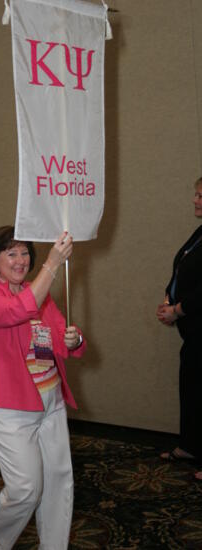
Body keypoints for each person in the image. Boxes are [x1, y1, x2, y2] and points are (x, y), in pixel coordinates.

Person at [0, 226, 86, 549]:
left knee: (59, 482)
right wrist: (52, 263)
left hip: (51, 400)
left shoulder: (40, 292)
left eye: (25, 253)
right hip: (8, 406)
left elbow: (63, 341)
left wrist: (74, 340)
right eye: (11, 253)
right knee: (25, 489)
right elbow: (15, 311)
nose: (21, 260)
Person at [157, 176, 202, 480]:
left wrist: (177, 309)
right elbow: (182, 266)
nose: (195, 200)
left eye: (200, 195)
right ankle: (191, 445)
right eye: (196, 194)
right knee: (192, 387)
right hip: (192, 330)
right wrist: (167, 296)